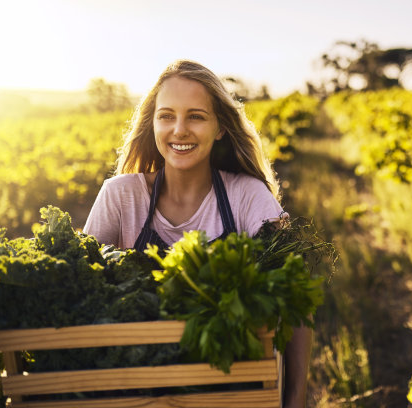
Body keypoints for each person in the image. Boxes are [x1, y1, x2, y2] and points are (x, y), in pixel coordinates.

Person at [83, 59, 311, 407]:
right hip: (137, 395)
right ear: (153, 123)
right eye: (167, 116)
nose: (179, 130)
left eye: (196, 116)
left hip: (231, 393)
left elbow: (296, 301)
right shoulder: (120, 196)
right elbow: (80, 293)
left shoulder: (247, 196)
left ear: (220, 127)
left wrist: (295, 400)